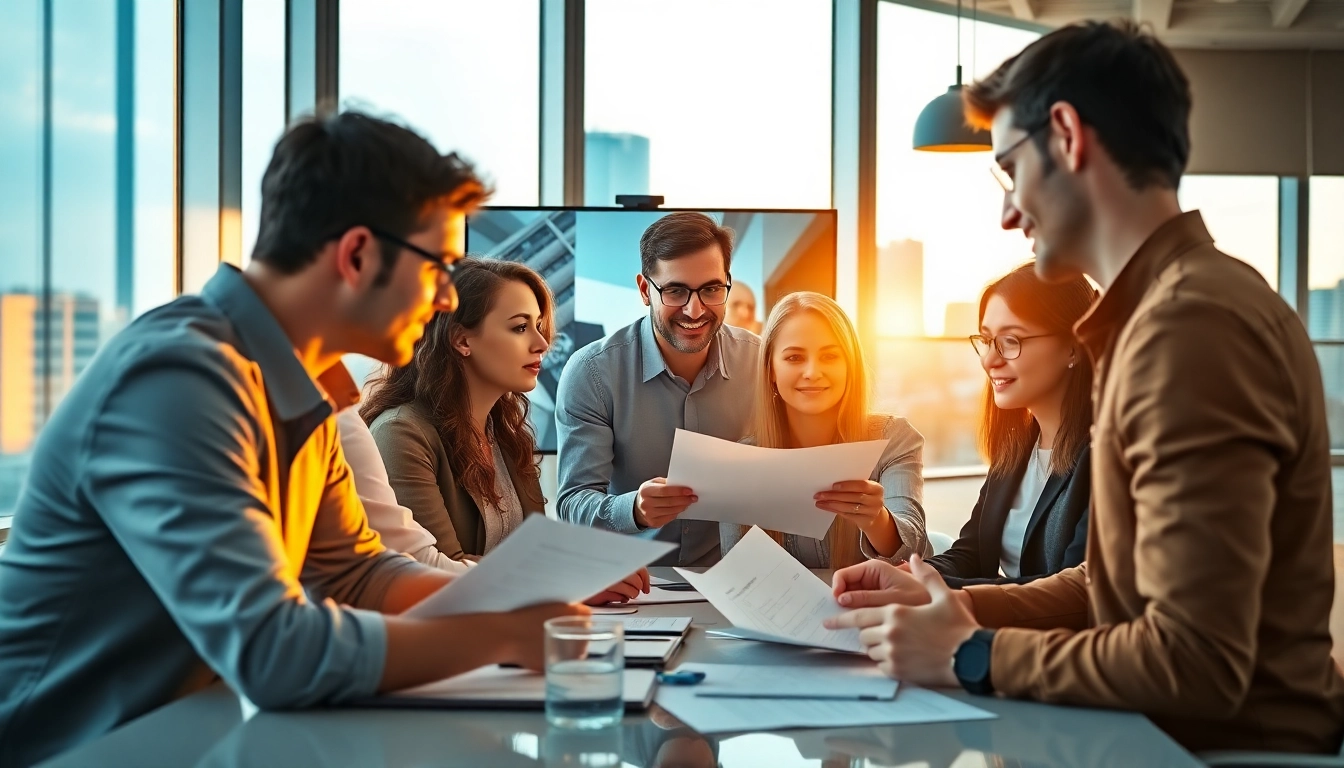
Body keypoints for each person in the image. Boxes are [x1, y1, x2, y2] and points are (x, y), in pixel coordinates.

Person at [0, 112, 586, 767]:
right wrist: (497, 634)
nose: (447, 296)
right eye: (439, 266)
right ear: (358, 254)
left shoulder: (302, 386)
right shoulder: (181, 378)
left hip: (190, 740)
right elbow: (273, 651)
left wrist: (516, 603)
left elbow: (356, 573)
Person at [825, 20, 1344, 755]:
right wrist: (953, 603)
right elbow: (1113, 580)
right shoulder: (1175, 309)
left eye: (1010, 168)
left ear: (1066, 135)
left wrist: (968, 654)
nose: (1008, 212)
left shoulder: (1187, 327)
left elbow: (1196, 660)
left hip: (1219, 749)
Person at [352, 258, 647, 604]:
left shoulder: (503, 430)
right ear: (462, 340)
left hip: (506, 631)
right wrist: (568, 583)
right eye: (520, 328)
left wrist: (593, 565)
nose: (541, 343)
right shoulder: (401, 433)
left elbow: (532, 554)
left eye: (538, 325)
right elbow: (436, 569)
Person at [556, 212, 760, 566]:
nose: (694, 310)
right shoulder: (592, 372)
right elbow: (573, 503)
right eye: (676, 290)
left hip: (741, 576)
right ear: (644, 290)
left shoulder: (762, 363)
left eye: (711, 289)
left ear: (726, 284)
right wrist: (632, 509)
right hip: (635, 583)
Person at [720, 291, 930, 568]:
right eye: (794, 358)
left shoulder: (893, 440)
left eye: (830, 356)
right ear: (771, 368)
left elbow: (916, 553)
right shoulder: (742, 461)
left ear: (850, 366)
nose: (812, 372)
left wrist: (877, 520)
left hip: (871, 609)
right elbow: (736, 573)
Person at [924, 263, 1094, 587]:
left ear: (1073, 346)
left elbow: (1068, 592)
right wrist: (907, 575)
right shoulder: (1017, 447)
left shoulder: (1102, 455)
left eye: (1011, 340)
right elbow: (971, 554)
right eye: (987, 340)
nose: (989, 360)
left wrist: (937, 591)